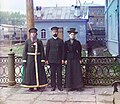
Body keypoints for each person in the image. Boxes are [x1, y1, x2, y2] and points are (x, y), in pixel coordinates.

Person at [46, 26, 64, 91]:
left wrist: (62, 59)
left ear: (58, 32)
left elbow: (63, 51)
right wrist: (47, 59)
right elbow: (47, 51)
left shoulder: (61, 41)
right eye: (53, 32)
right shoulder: (49, 41)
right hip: (51, 60)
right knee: (52, 74)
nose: (55, 33)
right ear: (52, 33)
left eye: (56, 31)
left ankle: (59, 86)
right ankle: (53, 86)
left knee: (59, 74)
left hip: (59, 60)